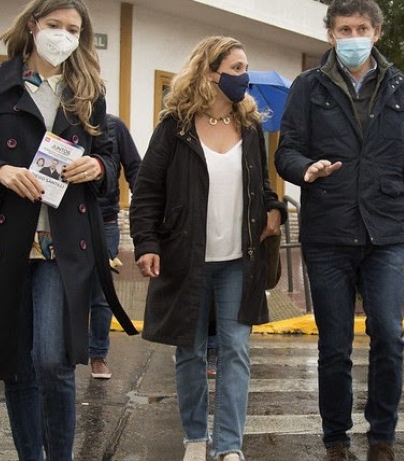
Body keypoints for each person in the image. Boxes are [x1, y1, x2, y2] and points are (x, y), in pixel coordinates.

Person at [0, 1, 138, 460]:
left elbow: (110, 156)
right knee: (17, 365)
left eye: (73, 28)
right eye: (54, 24)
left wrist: (95, 165)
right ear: (33, 25)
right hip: (4, 241)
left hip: (61, 243)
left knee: (53, 362)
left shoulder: (88, 90)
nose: (63, 34)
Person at [274, 1, 404, 460]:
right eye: (344, 29)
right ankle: (336, 438)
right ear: (330, 35)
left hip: (386, 231)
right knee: (334, 345)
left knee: (388, 332)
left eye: (361, 28)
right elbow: (287, 153)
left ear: (377, 33)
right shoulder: (308, 86)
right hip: (328, 233)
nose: (353, 35)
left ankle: (382, 434)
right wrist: (307, 168)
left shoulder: (401, 87)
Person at [130, 36, 286, 461]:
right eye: (236, 68)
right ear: (209, 72)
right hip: (187, 259)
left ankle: (230, 445)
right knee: (191, 351)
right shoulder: (175, 128)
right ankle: (196, 438)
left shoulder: (251, 129)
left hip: (240, 260)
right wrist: (146, 242)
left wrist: (273, 210)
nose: (244, 77)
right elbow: (146, 192)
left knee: (236, 349)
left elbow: (263, 187)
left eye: (245, 68)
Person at [89, 113, 141, 380]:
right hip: (64, 221)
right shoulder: (60, 122)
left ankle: (98, 355)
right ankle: (57, 354)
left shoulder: (114, 126)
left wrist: (146, 212)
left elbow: (135, 169)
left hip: (105, 221)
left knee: (102, 292)